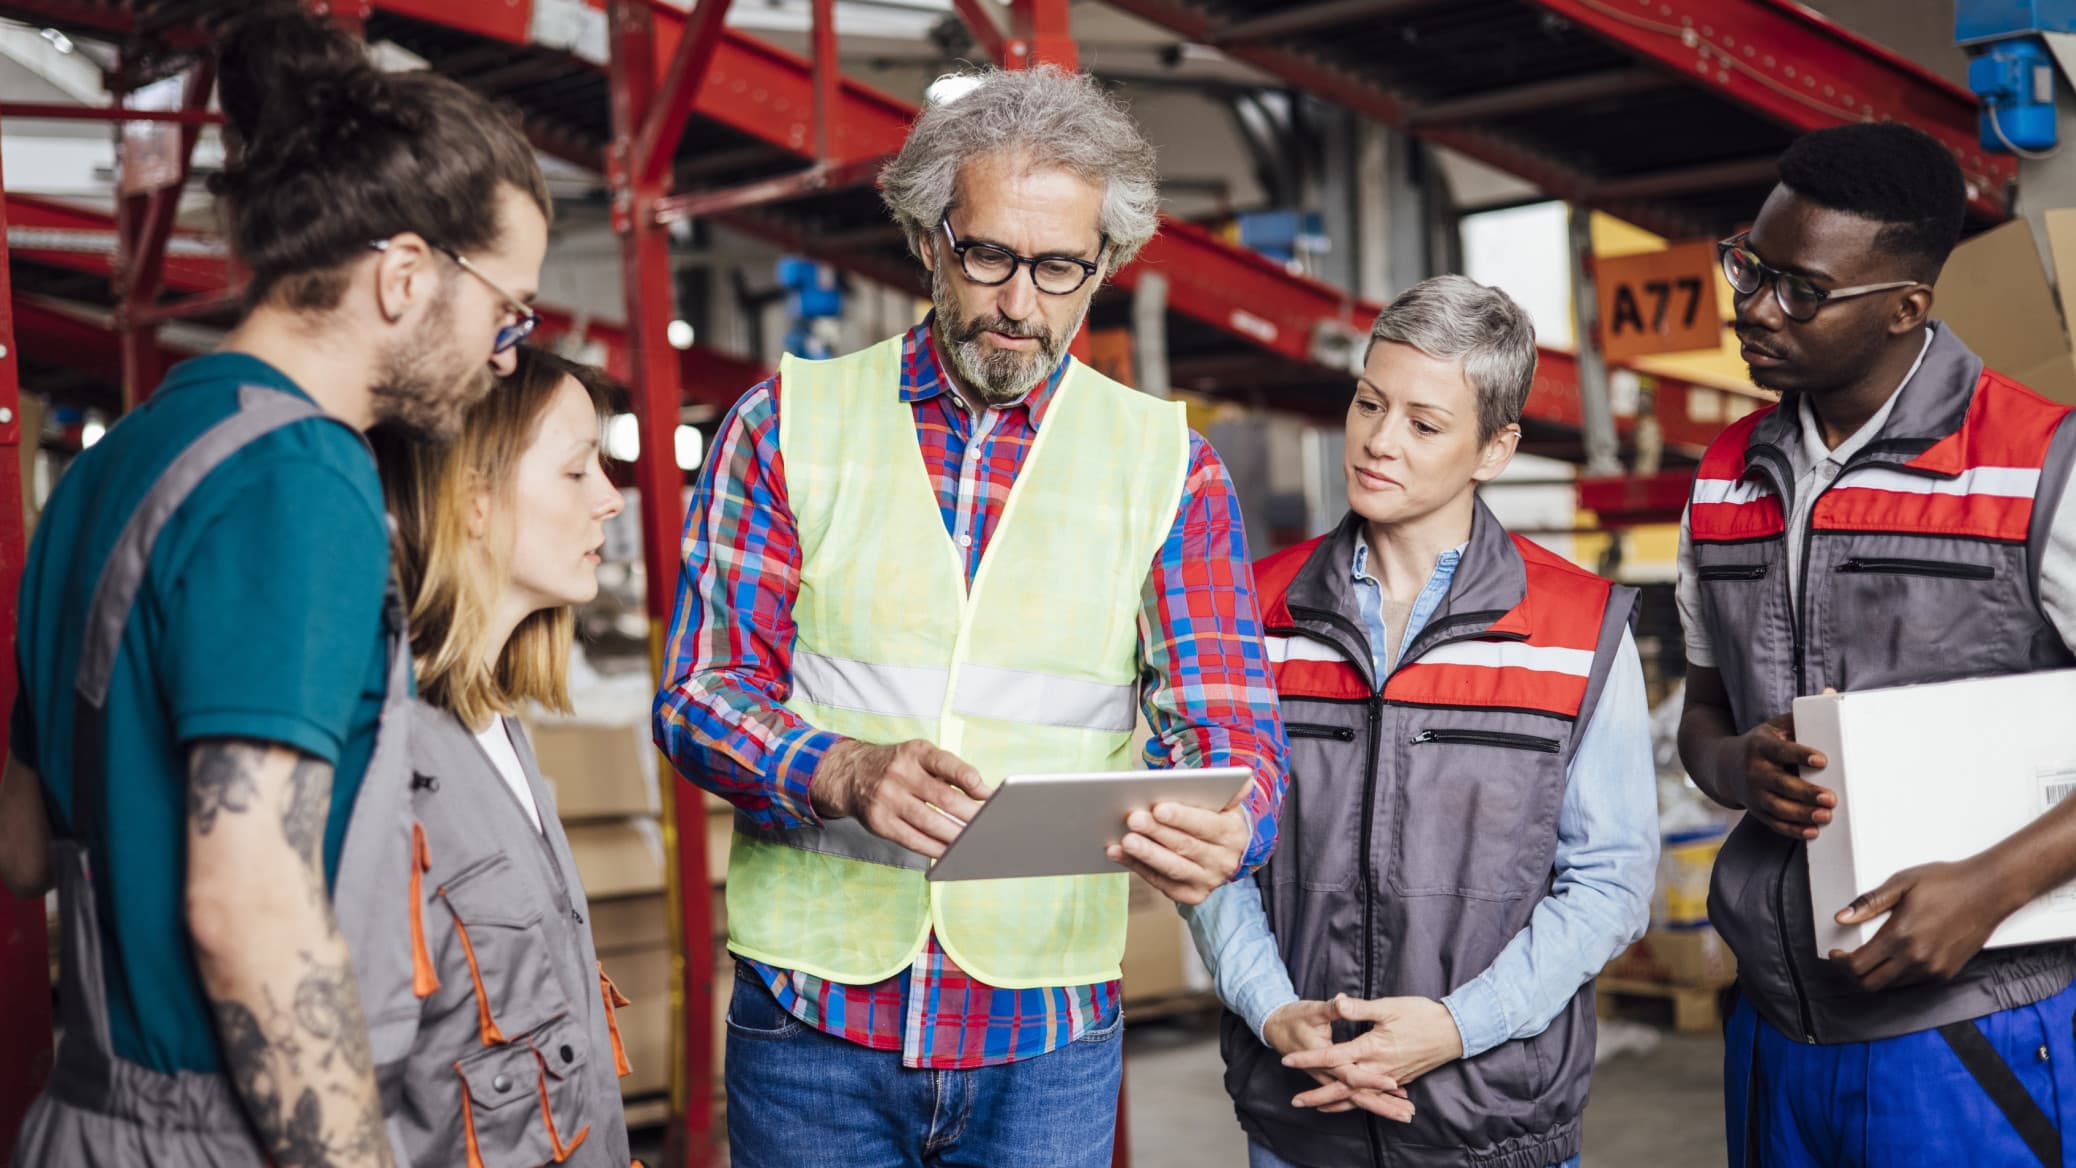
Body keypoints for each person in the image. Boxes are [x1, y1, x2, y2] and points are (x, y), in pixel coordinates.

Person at [653, 64, 1288, 1167]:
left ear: (1105, 266)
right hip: (814, 1024)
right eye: (988, 255)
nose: (1021, 305)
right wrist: (838, 768)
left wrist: (1237, 821)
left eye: (1059, 269)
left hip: (1041, 1032)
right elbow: (698, 694)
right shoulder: (785, 425)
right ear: (928, 238)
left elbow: (1230, 726)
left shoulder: (1168, 469)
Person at [0, 4, 550, 1164]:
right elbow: (249, 904)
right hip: (229, 1132)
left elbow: (17, 843)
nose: (506, 353)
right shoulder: (302, 477)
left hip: (83, 1116)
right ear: (404, 274)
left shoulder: (121, 468)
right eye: (508, 310)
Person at [1186, 275, 1657, 1168]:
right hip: (1298, 1122)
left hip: (1493, 1128)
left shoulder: (1577, 632)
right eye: (1370, 402)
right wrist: (1274, 1011)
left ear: (1495, 448)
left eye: (1424, 423)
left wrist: (1450, 1027)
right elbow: (1210, 856)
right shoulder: (1254, 610)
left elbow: (1610, 880)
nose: (1378, 441)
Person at [1677, 122, 2076, 1166]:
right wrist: (1737, 766)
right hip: (1773, 1030)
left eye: (1800, 290)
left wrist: (1991, 884)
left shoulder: (2037, 469)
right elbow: (1702, 722)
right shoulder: (1723, 478)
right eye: (1749, 268)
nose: (1754, 309)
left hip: (1968, 1036)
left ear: (1906, 307)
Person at [370, 347, 634, 1166]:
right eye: (576, 471)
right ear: (474, 500)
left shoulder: (497, 730)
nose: (611, 499)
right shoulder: (387, 751)